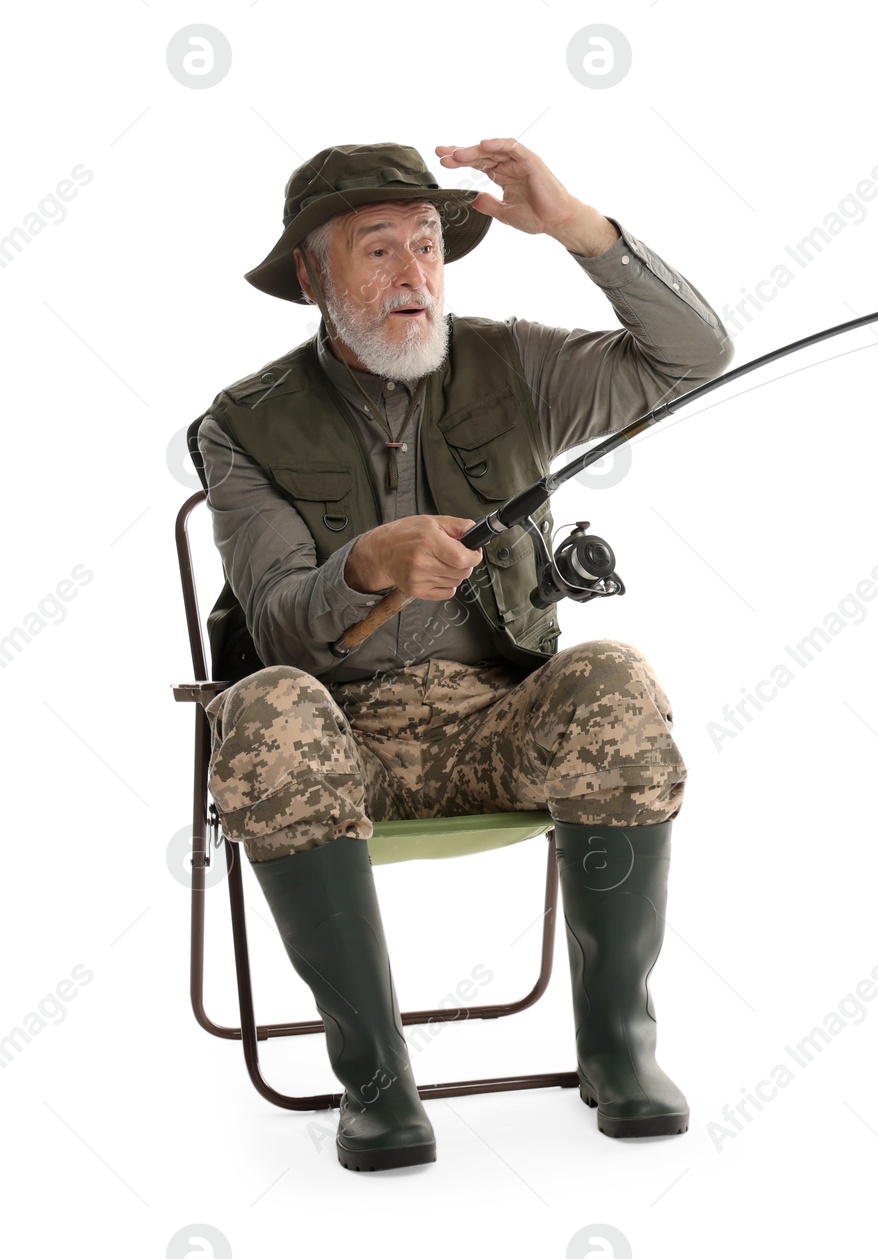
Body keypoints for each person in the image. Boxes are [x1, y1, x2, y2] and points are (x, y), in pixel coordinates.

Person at [194, 139, 733, 1171]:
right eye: (380, 250)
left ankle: (619, 1048)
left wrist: (576, 223)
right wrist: (364, 567)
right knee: (258, 706)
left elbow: (693, 358)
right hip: (340, 741)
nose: (413, 277)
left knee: (615, 676)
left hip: (501, 721)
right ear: (311, 277)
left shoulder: (515, 365)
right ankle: (376, 1081)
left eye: (430, 248)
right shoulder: (243, 425)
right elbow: (272, 621)